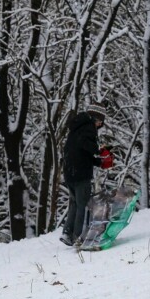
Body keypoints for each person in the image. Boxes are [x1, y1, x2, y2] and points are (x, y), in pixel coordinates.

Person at [60, 105, 113, 246]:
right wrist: (101, 151)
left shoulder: (76, 128)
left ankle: (67, 233)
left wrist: (98, 162)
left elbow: (81, 152)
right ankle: (79, 237)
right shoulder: (88, 128)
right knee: (83, 205)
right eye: (100, 121)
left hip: (69, 172)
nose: (100, 125)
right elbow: (87, 146)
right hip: (81, 173)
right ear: (96, 118)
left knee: (75, 204)